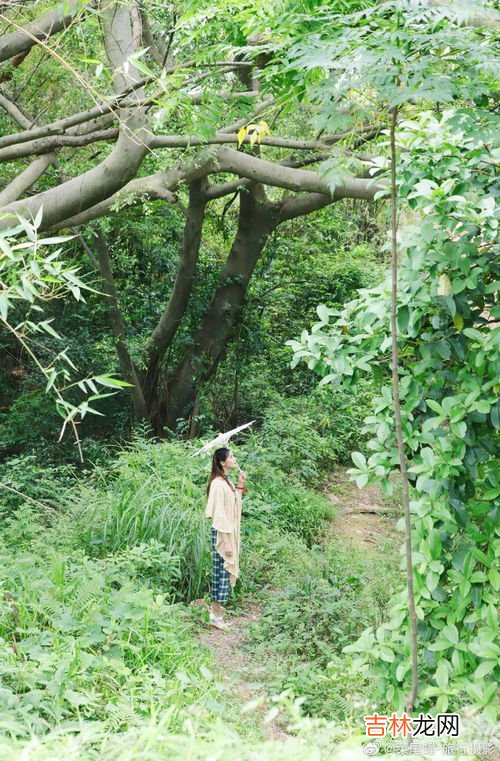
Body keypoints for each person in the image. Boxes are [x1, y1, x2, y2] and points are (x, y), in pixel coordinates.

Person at [205, 447, 247, 630]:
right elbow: (219, 515)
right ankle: (216, 616)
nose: (234, 458)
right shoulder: (217, 483)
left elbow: (233, 505)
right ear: (222, 462)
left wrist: (240, 484)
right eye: (231, 456)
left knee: (223, 572)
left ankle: (217, 614)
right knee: (220, 573)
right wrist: (227, 542)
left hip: (227, 532)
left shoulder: (225, 481)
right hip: (222, 533)